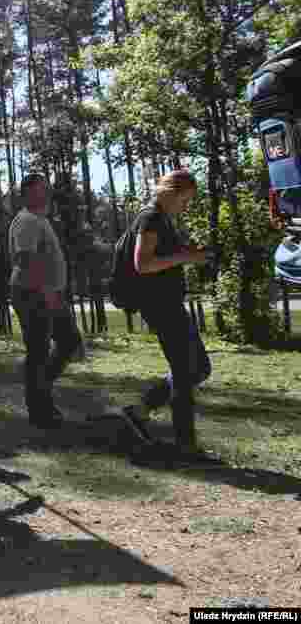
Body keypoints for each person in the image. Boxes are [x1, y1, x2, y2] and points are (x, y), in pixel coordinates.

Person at [119, 170, 215, 462]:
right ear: (171, 192)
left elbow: (162, 259)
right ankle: (185, 446)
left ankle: (138, 411)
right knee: (186, 371)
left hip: (169, 303)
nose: (185, 207)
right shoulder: (150, 218)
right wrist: (187, 257)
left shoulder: (161, 219)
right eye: (184, 201)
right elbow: (143, 264)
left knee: (198, 368)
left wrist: (190, 253)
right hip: (160, 305)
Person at [8, 172, 83, 428]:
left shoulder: (40, 219)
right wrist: (47, 292)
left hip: (45, 293)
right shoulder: (27, 220)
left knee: (69, 341)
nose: (47, 192)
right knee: (39, 353)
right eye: (41, 189)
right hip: (33, 294)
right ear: (28, 193)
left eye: (46, 188)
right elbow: (25, 259)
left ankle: (40, 388)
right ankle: (40, 412)